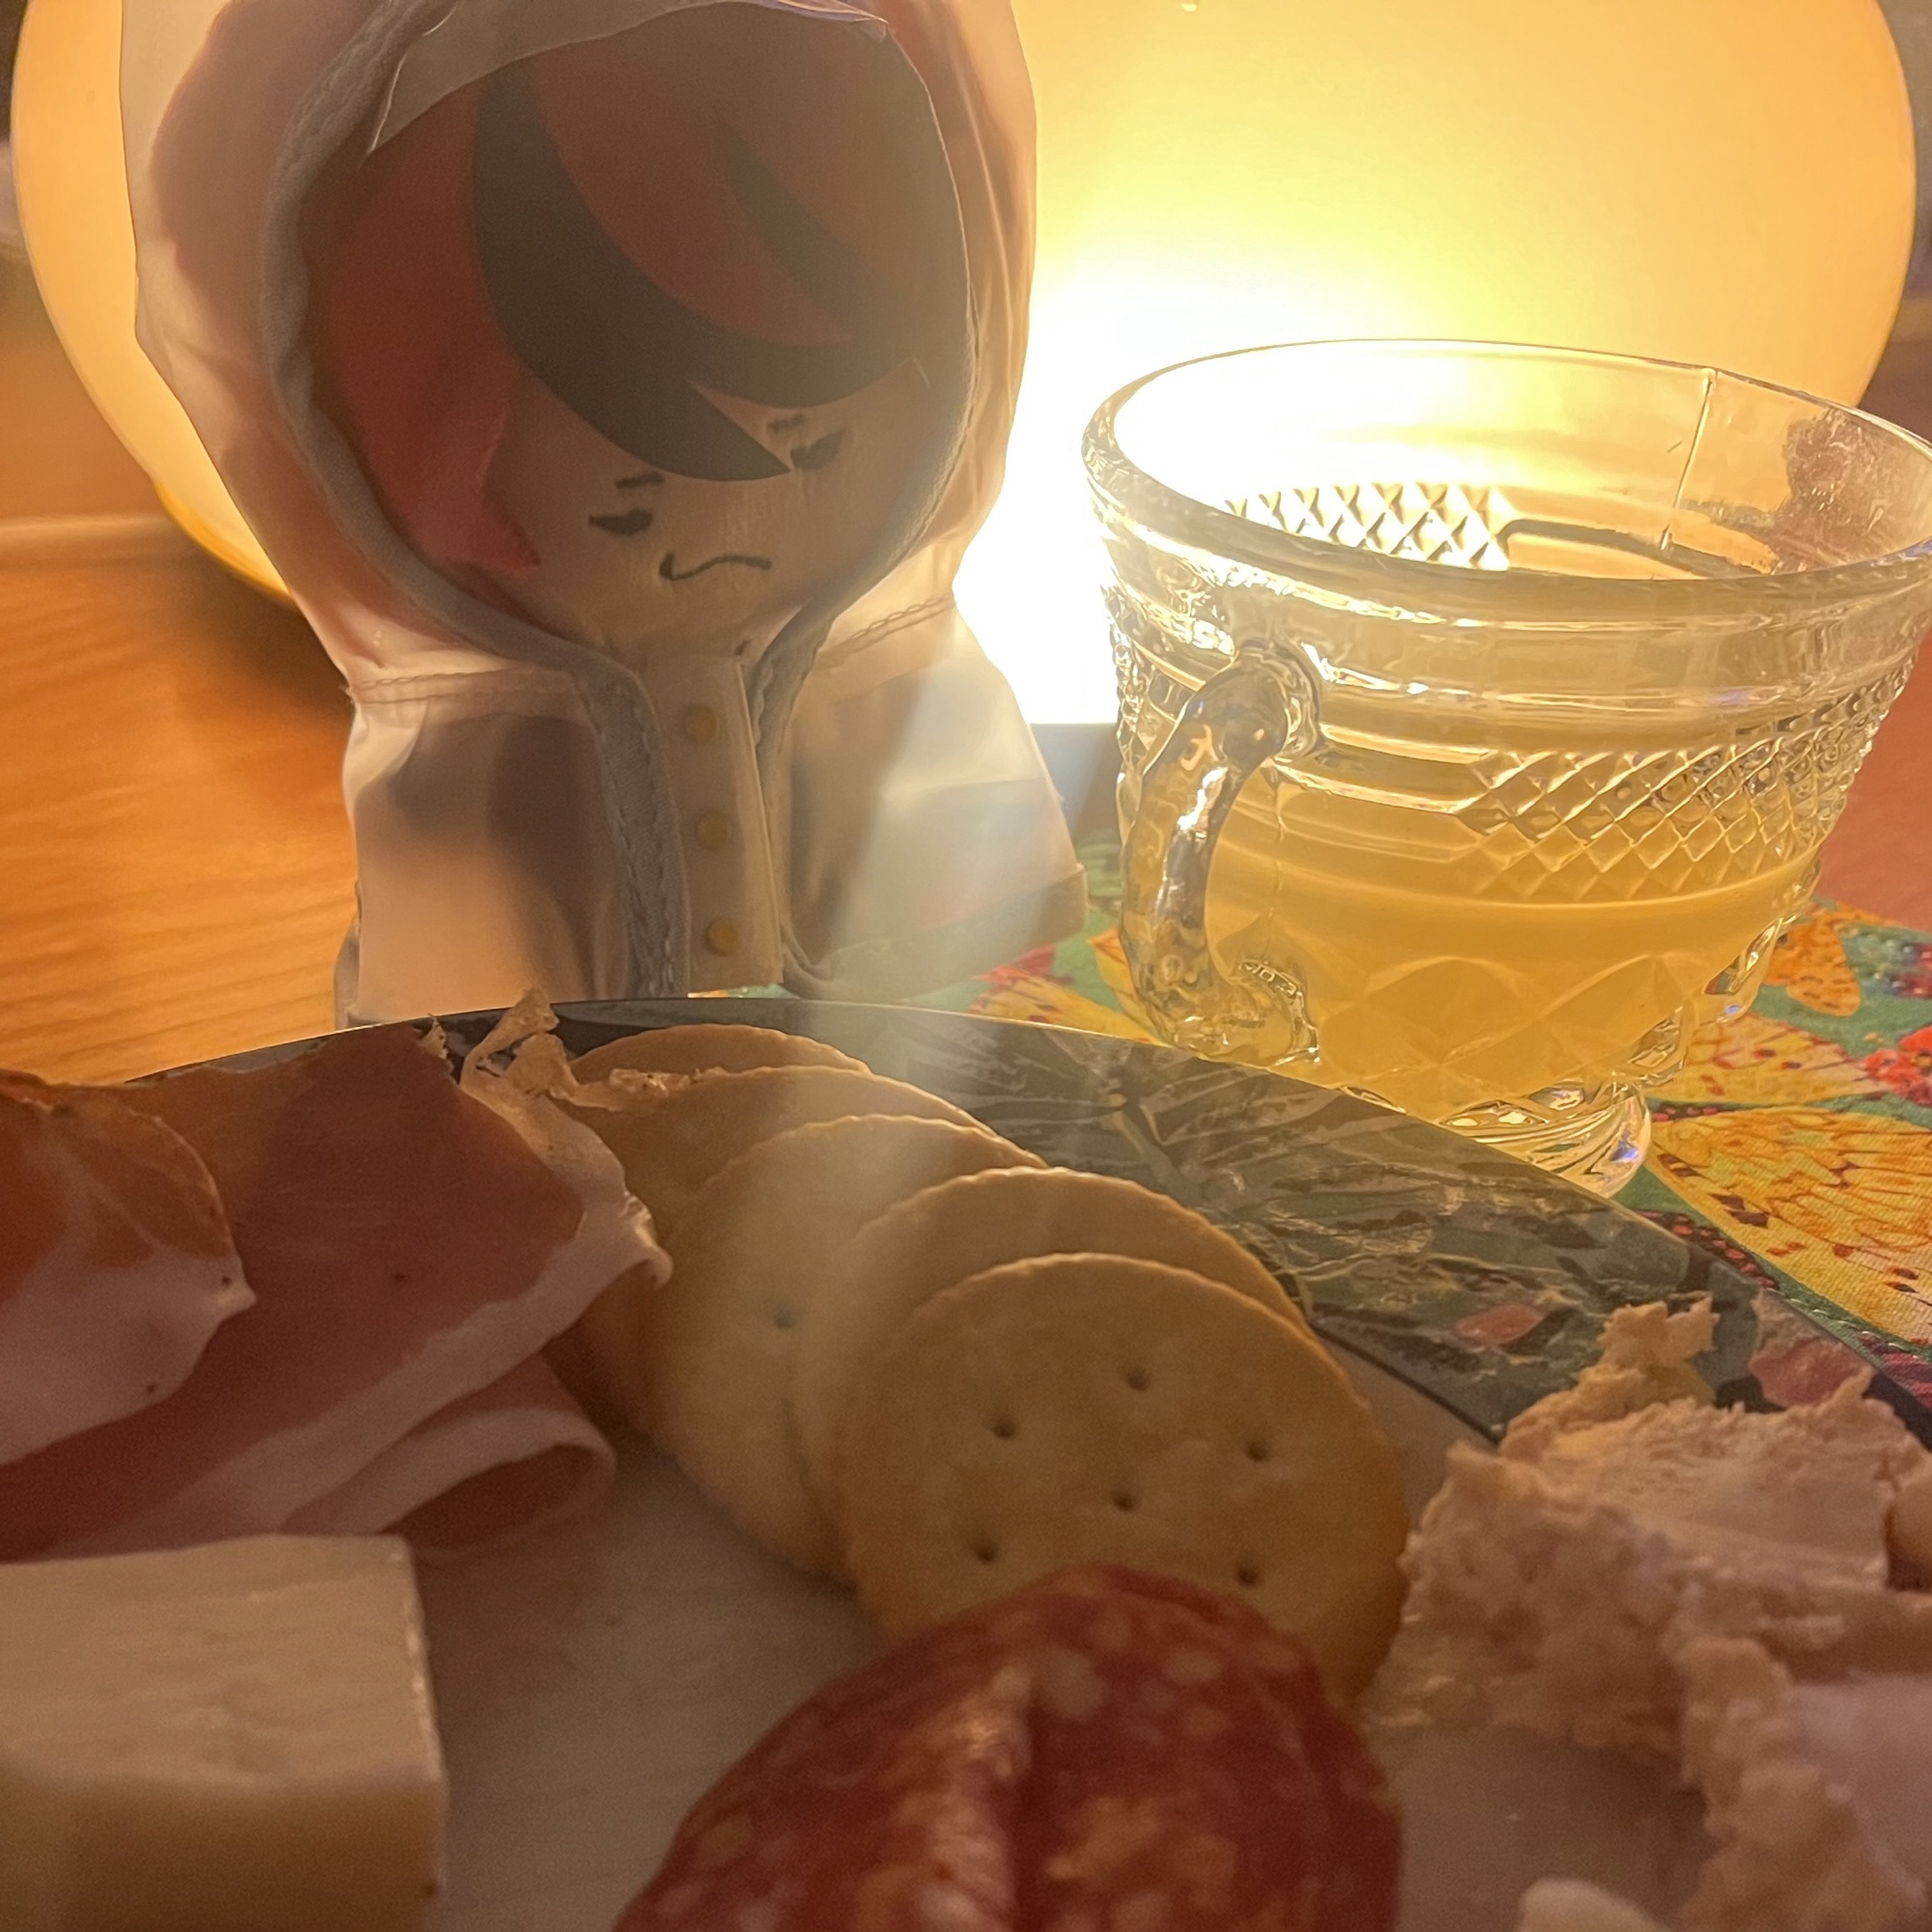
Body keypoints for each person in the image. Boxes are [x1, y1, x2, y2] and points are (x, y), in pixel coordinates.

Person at [128, 0, 1083, 1019]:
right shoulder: (483, 778)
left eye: (815, 453)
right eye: (627, 515)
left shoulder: (897, 720)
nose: (717, 529)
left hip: (878, 1034)